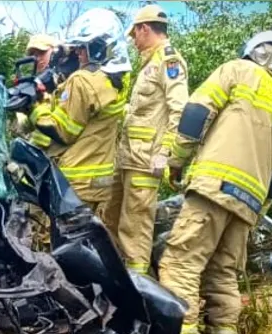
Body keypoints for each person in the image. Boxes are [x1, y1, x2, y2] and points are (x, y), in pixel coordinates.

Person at [160, 31, 272, 334]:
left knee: (180, 263)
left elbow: (196, 112)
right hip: (249, 202)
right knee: (223, 274)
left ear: (253, 52)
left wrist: (176, 162)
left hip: (214, 185)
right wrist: (259, 208)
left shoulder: (237, 71)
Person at [105, 4, 189, 275]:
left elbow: (180, 110)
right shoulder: (149, 64)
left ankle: (139, 295)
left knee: (134, 232)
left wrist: (165, 155)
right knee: (110, 219)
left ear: (144, 28)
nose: (133, 40)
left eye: (135, 34)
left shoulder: (169, 61)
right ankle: (113, 279)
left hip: (145, 163)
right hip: (127, 158)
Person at [27, 8, 131, 226]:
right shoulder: (118, 80)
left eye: (83, 48)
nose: (78, 54)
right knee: (86, 239)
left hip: (74, 180)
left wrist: (37, 106)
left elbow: (63, 131)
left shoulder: (82, 81)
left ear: (100, 47)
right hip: (100, 179)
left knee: (56, 241)